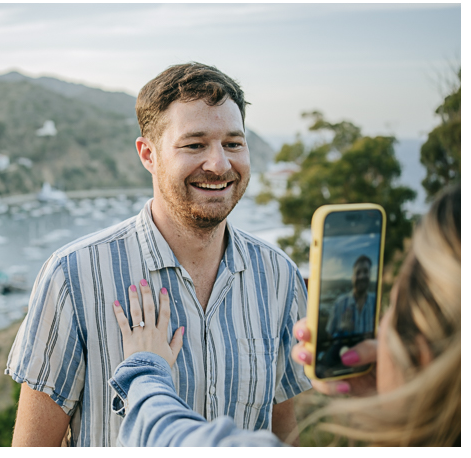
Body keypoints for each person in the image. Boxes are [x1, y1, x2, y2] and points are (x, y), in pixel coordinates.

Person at [6, 63, 311, 446]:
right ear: (148, 154)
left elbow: (283, 429)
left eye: (233, 143)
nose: (219, 164)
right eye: (195, 145)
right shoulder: (74, 275)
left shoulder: (280, 276)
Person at [106, 183, 460, 447]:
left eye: (390, 312)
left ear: (420, 352)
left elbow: (175, 442)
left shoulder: (278, 272)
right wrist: (396, 401)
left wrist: (144, 370)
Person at [326, 254, 376, 337]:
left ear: (370, 274)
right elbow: (329, 335)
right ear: (352, 277)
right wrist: (342, 331)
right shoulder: (339, 304)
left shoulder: (376, 302)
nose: (362, 276)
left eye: (365, 271)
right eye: (358, 272)